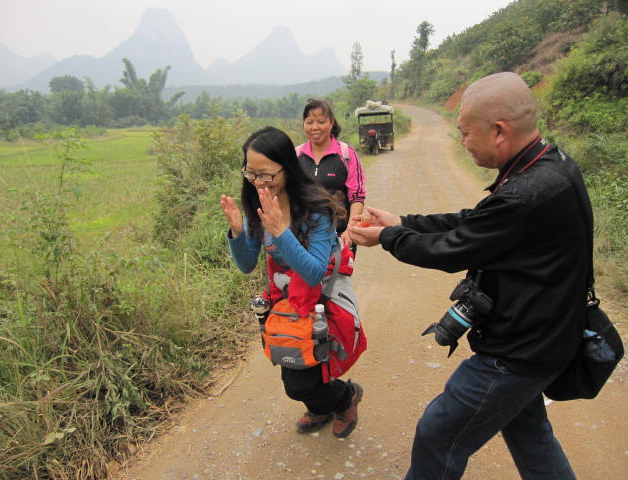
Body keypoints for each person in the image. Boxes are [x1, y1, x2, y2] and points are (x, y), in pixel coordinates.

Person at [349, 72, 590, 479]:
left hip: (519, 351)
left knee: (438, 433)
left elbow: (452, 248)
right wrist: (404, 221)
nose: (461, 141)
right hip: (547, 335)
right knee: (530, 436)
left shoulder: (526, 193)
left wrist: (389, 237)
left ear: (498, 131)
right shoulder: (549, 165)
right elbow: (475, 222)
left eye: (465, 133)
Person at [220, 126, 364, 438]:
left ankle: (344, 397)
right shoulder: (258, 207)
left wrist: (280, 231)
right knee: (295, 364)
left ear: (288, 167)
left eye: (267, 175)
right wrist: (236, 232)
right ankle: (322, 404)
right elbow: (246, 264)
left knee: (300, 381)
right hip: (287, 303)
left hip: (321, 298)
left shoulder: (316, 210)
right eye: (251, 174)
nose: (259, 182)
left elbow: (313, 272)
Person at [297, 98, 367, 253]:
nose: (315, 127)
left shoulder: (346, 154)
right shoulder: (296, 155)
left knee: (337, 277)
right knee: (306, 277)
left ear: (331, 123)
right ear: (304, 124)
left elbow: (357, 196)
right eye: (310, 122)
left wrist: (351, 230)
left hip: (339, 237)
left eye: (321, 122)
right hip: (303, 239)